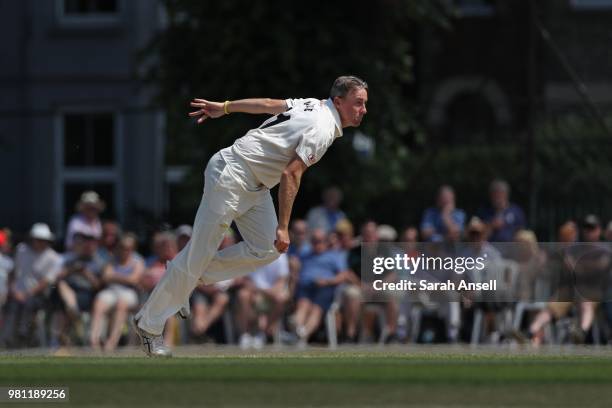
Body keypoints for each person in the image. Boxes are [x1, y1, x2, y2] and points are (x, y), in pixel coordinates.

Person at [133, 75, 368, 356]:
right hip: (232, 174)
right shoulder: (323, 126)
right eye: (358, 103)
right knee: (199, 254)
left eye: (364, 104)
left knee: (266, 248)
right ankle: (148, 325)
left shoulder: (312, 105)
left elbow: (269, 105)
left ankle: (184, 280)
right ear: (339, 102)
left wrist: (227, 107)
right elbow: (291, 174)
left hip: (255, 186)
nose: (363, 110)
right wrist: (283, 226)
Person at [0, 223, 61, 347]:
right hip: (17, 294)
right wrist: (12, 290)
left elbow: (45, 282)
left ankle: (22, 333)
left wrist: (26, 294)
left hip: (39, 296)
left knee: (27, 303)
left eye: (43, 240)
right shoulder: (22, 249)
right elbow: (14, 273)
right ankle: (6, 340)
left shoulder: (53, 258)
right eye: (38, 239)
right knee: (11, 306)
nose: (40, 242)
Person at [89, 233, 144, 351]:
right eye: (122, 247)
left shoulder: (138, 261)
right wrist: (125, 278)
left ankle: (112, 341)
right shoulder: (112, 260)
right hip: (111, 290)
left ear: (132, 249)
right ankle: (94, 340)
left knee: (121, 303)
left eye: (127, 248)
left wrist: (114, 276)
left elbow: (134, 280)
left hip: (129, 293)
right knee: (99, 302)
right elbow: (105, 277)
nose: (124, 250)